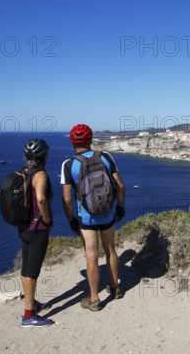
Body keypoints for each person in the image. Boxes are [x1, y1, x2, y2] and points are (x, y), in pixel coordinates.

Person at [61, 124, 126, 311]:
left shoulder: (68, 164)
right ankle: (116, 288)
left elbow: (66, 199)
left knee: (91, 256)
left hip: (86, 218)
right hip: (108, 214)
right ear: (91, 140)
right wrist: (120, 208)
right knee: (111, 250)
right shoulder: (105, 157)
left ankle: (94, 299)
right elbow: (120, 185)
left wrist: (71, 220)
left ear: (72, 142)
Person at [19, 138, 54, 327]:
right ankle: (28, 316)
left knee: (26, 269)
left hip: (24, 227)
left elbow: (1, 193)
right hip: (38, 228)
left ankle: (31, 303)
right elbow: (41, 198)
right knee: (32, 272)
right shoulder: (39, 174)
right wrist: (47, 219)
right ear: (43, 156)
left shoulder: (22, 173)